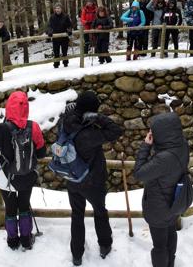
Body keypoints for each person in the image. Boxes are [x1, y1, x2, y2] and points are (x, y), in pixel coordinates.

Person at [61, 91, 123, 266]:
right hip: (93, 181)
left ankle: (77, 254)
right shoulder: (90, 133)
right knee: (100, 212)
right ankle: (105, 245)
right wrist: (99, 118)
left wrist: (77, 112)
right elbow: (116, 130)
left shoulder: (68, 121)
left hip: (72, 178)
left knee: (77, 215)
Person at [0, 91, 46, 250]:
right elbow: (41, 153)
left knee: (10, 208)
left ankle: (12, 240)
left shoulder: (2, 128)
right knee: (24, 206)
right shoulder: (33, 126)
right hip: (26, 177)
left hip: (5, 178)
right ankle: (27, 239)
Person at [134, 112, 189, 267]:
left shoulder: (163, 159)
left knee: (159, 246)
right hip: (174, 202)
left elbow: (139, 173)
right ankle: (170, 263)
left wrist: (146, 146)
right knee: (171, 233)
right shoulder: (182, 145)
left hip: (159, 207)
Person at [46, 3, 73, 68]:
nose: (57, 10)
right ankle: (56, 64)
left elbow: (69, 25)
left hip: (64, 37)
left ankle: (65, 63)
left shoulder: (66, 16)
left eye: (59, 8)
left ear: (61, 9)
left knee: (64, 52)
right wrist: (49, 31)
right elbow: (49, 26)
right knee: (56, 52)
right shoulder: (52, 17)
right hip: (56, 37)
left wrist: (69, 30)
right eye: (56, 8)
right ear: (54, 9)